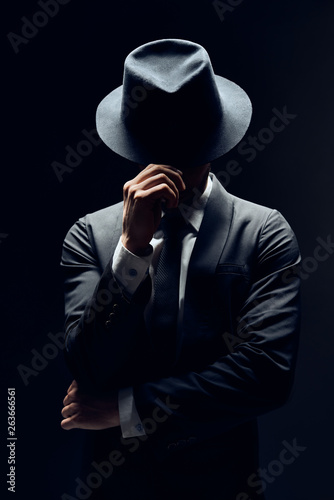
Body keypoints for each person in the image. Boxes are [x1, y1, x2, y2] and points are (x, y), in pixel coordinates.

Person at [60, 39, 301, 500]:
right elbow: (88, 366)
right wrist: (131, 250)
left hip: (223, 487)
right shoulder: (89, 235)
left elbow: (265, 374)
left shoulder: (263, 232)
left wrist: (127, 409)